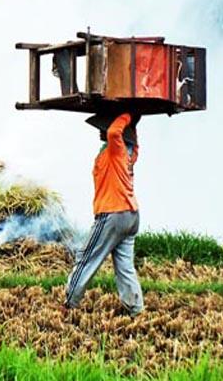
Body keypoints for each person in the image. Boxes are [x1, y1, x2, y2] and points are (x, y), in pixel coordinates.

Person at [65, 111, 143, 315]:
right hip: (131, 215)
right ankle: (136, 309)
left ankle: (69, 303)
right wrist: (133, 122)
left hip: (113, 214)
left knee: (86, 258)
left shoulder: (115, 150)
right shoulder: (129, 154)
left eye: (103, 128)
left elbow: (113, 133)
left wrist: (128, 115)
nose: (101, 132)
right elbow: (130, 142)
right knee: (125, 267)